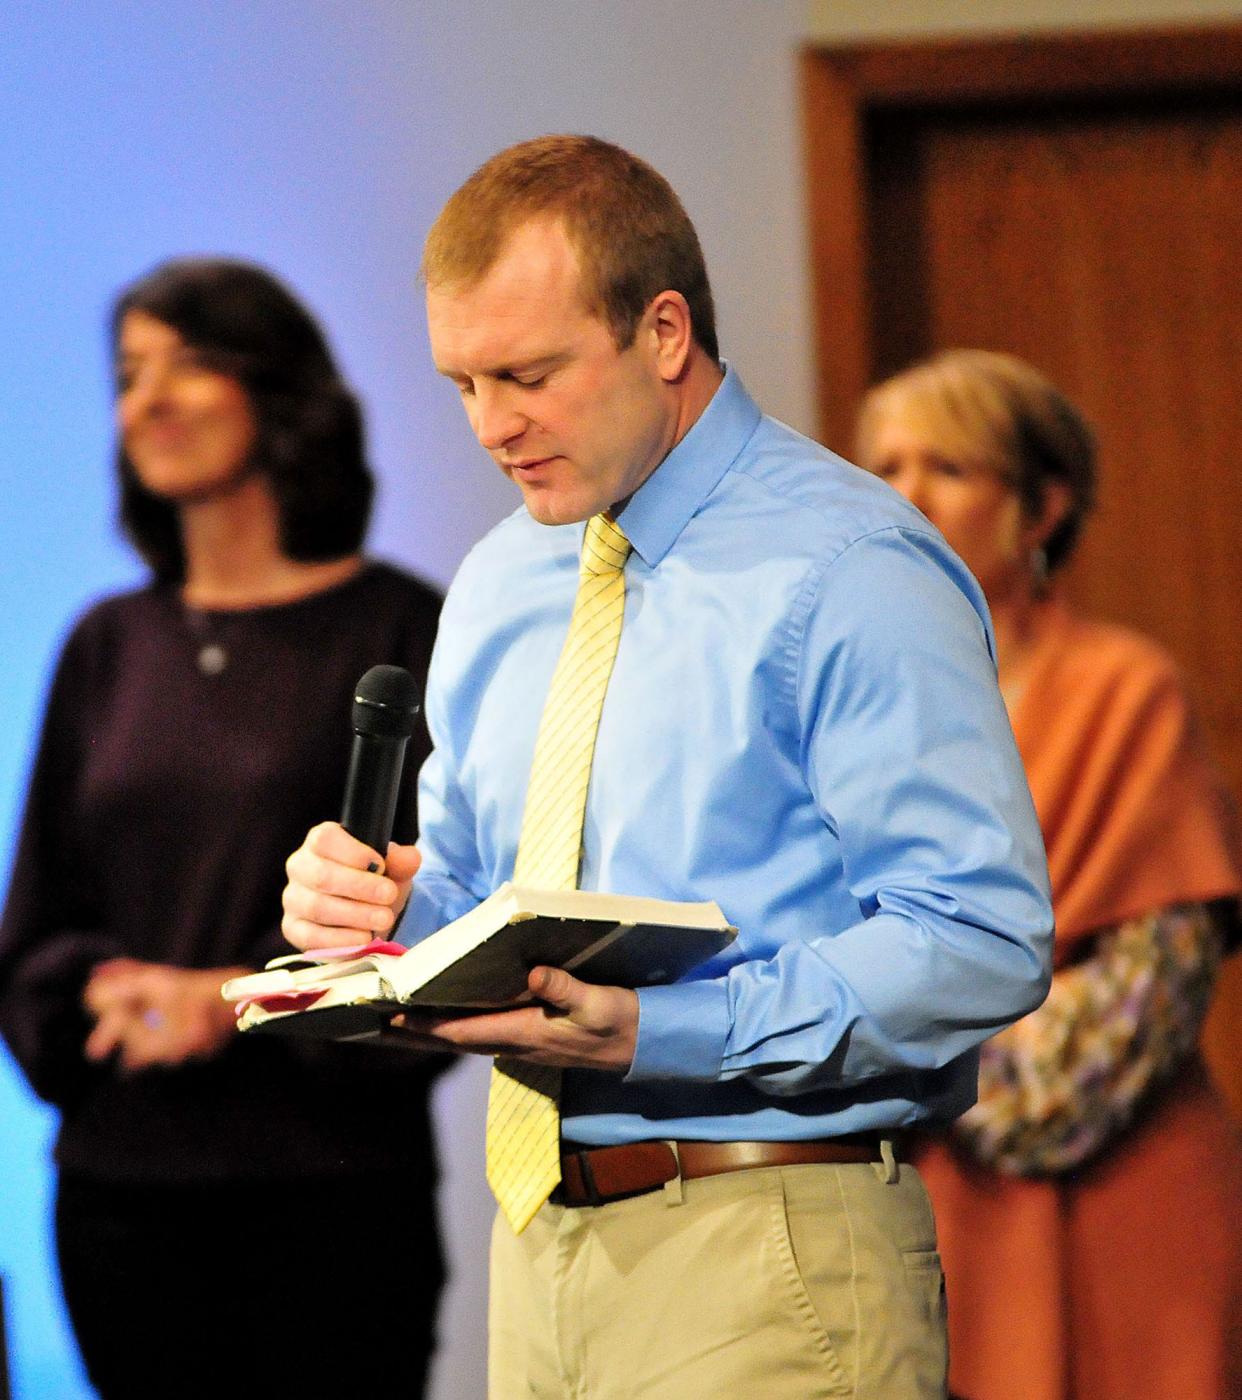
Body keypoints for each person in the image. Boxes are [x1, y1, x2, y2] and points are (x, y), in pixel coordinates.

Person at [280, 136, 1055, 1399]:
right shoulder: (499, 579)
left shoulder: (850, 565)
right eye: (461, 384)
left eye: (527, 373)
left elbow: (980, 935)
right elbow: (486, 895)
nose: (491, 426)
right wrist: (382, 919)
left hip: (774, 1237)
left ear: (663, 329)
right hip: (540, 1251)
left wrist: (660, 1030)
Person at [0, 258, 449, 1398]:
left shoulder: (398, 626)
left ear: (279, 392)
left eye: (186, 364)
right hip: (121, 1199)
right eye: (126, 375)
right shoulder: (107, 641)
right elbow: (37, 919)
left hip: (332, 1195)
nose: (144, 400)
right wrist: (95, 986)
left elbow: (439, 928)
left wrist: (233, 1001)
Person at [855, 347, 1242, 1400]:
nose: (906, 491)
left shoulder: (1127, 690)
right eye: (883, 463)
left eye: (949, 465)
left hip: (1118, 1223)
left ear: (1042, 508)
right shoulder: (851, 707)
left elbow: (1119, 1025)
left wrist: (874, 1037)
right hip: (921, 1225)